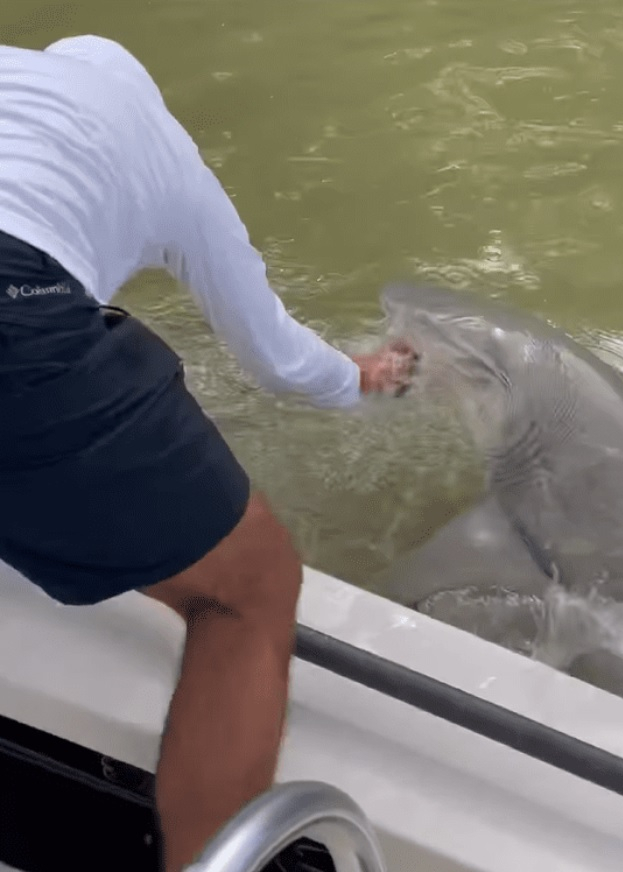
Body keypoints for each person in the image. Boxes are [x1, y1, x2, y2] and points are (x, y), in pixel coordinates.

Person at [0, 34, 416, 872]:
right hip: (18, 306)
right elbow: (278, 357)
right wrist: (362, 379)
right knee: (250, 590)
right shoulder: (159, 150)